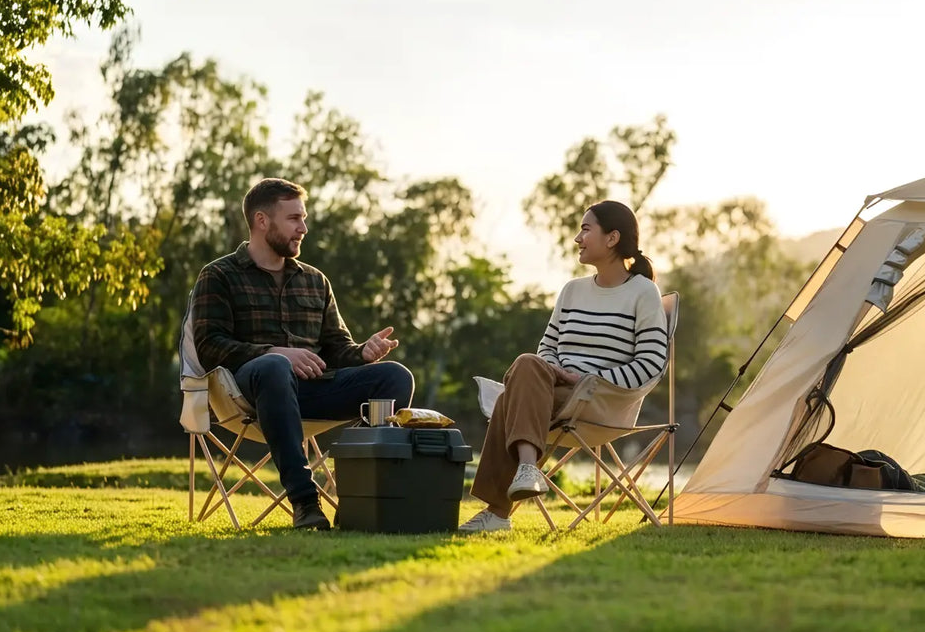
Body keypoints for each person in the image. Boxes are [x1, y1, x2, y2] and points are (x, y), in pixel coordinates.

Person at [191, 178, 414, 530]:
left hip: (313, 391)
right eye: (294, 218)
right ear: (262, 221)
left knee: (395, 376)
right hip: (249, 391)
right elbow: (208, 346)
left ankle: (360, 498)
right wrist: (274, 352)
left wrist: (364, 353)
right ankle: (305, 502)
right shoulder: (219, 275)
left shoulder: (315, 281)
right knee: (275, 366)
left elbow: (337, 349)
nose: (303, 228)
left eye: (304, 218)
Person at [459, 200, 668, 533]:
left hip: (601, 400)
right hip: (554, 391)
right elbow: (548, 347)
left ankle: (500, 510)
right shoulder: (572, 291)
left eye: (586, 229)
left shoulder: (643, 293)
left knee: (513, 389)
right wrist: (557, 372)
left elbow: (652, 363)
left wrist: (587, 378)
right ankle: (523, 475)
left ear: (612, 238)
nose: (577, 238)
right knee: (528, 367)